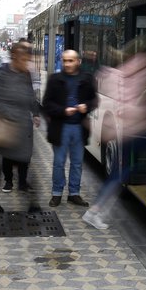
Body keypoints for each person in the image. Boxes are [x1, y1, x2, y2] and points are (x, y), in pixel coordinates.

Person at [82, 36, 146, 229]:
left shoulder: (121, 70)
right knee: (122, 171)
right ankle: (94, 212)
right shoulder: (144, 67)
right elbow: (131, 106)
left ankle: (95, 211)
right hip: (133, 130)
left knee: (122, 170)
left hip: (126, 130)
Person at [0, 42, 41, 211]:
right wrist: (9, 117)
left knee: (25, 161)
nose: (27, 63)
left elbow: (30, 97)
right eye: (24, 59)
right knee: (4, 163)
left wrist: (36, 113)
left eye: (28, 59)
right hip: (8, 127)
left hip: (24, 127)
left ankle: (29, 196)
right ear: (15, 57)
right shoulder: (2, 73)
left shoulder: (26, 75)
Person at [42, 49, 98, 208]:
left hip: (79, 128)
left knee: (77, 163)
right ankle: (57, 193)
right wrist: (63, 110)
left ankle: (74, 193)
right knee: (59, 162)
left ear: (78, 62)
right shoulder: (55, 79)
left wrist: (86, 106)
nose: (67, 64)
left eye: (70, 61)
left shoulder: (87, 78)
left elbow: (94, 100)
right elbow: (47, 104)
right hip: (60, 128)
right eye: (64, 60)